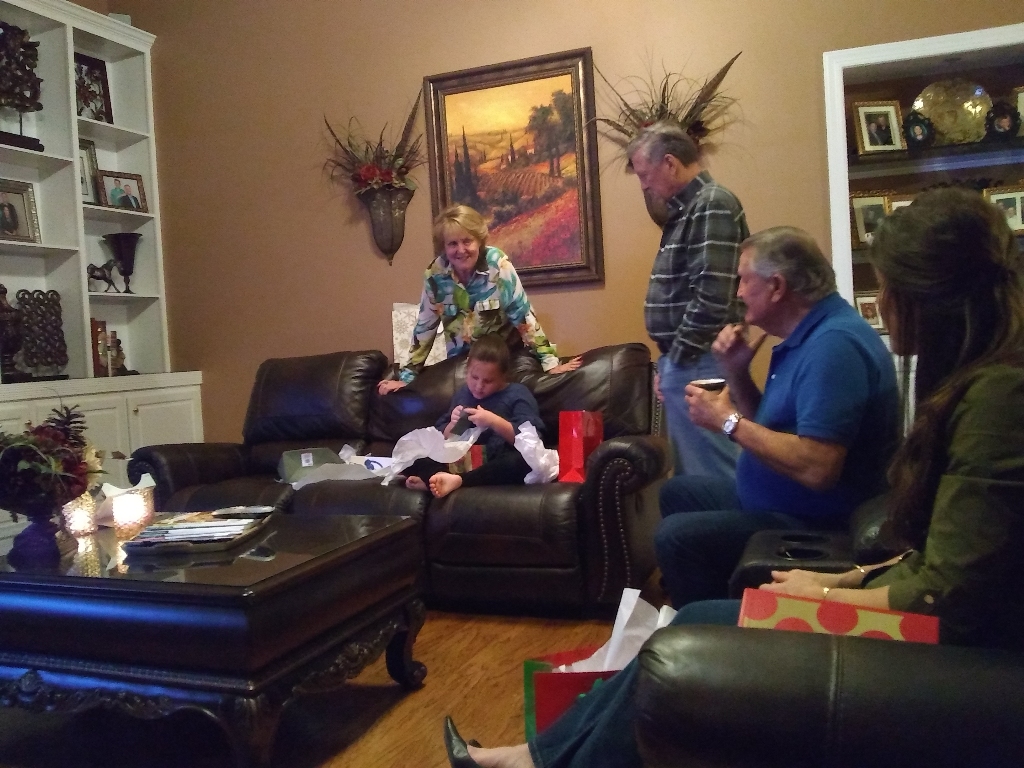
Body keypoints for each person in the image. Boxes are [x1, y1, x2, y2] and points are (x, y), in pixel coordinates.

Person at [442, 187, 1024, 768]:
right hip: (845, 548)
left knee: (684, 603)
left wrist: (825, 590)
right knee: (680, 506)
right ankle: (542, 754)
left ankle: (683, 689)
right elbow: (933, 556)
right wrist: (738, 376)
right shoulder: (836, 348)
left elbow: (938, 584)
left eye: (890, 285)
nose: (884, 301)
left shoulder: (931, 379)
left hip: (830, 533)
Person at [655, 226, 898, 607]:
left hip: (817, 520)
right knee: (677, 492)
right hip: (781, 500)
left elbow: (818, 467)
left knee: (675, 537)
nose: (737, 292)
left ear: (777, 286)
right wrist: (736, 373)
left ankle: (710, 632)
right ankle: (709, 603)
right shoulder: (809, 335)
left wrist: (728, 421)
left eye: (744, 279)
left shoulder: (833, 347)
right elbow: (773, 428)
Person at [627, 121, 748, 480]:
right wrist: (668, 363)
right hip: (689, 360)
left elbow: (712, 298)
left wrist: (676, 361)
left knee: (712, 474)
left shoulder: (712, 204)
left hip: (700, 362)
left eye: (645, 174)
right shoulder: (687, 209)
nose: (644, 185)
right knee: (694, 475)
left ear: (670, 163)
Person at [378, 205, 580, 395]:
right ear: (444, 247)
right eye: (452, 244)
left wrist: (550, 363)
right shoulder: (435, 275)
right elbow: (425, 328)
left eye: (467, 241)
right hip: (463, 364)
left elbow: (523, 317)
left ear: (479, 241)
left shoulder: (498, 266)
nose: (460, 250)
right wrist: (407, 378)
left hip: (504, 358)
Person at [401, 334, 541, 498]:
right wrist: (452, 425)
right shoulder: (463, 394)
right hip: (462, 460)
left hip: (495, 461)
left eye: (488, 381)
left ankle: (451, 481)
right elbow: (444, 438)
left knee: (523, 461)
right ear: (467, 369)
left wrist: (493, 421)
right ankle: (439, 479)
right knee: (410, 453)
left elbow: (532, 440)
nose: (479, 386)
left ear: (503, 375)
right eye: (474, 377)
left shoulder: (517, 394)